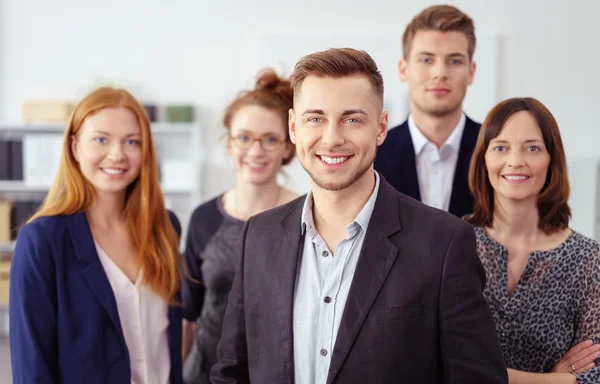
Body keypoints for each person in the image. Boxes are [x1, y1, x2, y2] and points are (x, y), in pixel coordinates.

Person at [210, 47, 507, 383]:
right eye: (315, 119)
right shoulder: (258, 237)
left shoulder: (443, 243)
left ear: (380, 128)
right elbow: (231, 372)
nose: (332, 138)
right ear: (294, 127)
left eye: (352, 119)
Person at [9, 87, 184, 384]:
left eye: (132, 141)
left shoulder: (165, 227)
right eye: (101, 139)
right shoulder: (42, 240)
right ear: (75, 147)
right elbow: (32, 366)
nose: (117, 154)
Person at [465, 97, 600, 383]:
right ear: (484, 158)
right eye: (501, 147)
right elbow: (434, 360)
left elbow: (594, 375)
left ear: (552, 159)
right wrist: (552, 380)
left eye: (533, 148)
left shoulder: (589, 259)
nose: (515, 161)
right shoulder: (452, 242)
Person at [181, 69, 300, 383]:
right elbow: (189, 316)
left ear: (288, 146)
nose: (256, 151)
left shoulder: (308, 216)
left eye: (270, 139)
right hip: (203, 374)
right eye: (244, 138)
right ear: (229, 144)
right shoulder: (203, 218)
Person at [374, 4, 481, 218]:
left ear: (471, 71)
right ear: (403, 69)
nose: (440, 72)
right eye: (426, 60)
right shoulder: (373, 152)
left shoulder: (495, 149)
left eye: (455, 60)